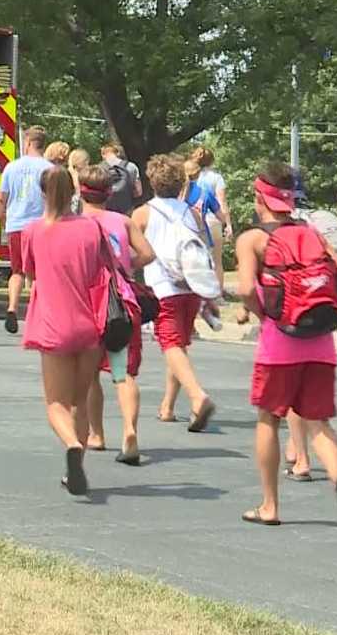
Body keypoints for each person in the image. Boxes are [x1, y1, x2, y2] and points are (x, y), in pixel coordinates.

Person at [234, 162, 337, 530]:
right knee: (318, 422)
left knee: (268, 419)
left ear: (259, 195)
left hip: (279, 343)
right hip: (320, 343)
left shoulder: (252, 239)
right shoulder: (312, 232)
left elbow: (246, 289)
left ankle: (269, 505)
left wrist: (261, 314)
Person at [22, 165, 110, 495]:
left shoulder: (33, 231)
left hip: (52, 325)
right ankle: (77, 464)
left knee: (55, 403)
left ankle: (71, 445)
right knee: (80, 402)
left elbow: (29, 273)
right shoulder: (90, 228)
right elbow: (104, 269)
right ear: (73, 191)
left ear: (43, 193)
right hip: (89, 324)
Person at [132, 154, 216, 431]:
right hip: (190, 287)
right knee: (179, 345)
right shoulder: (190, 213)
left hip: (163, 287)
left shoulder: (143, 213)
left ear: (151, 182)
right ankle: (168, 406)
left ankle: (197, 396)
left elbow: (134, 250)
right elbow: (200, 250)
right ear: (181, 184)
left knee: (170, 344)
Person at [79, 165, 156, 464]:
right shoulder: (124, 222)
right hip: (122, 303)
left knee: (88, 377)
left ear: (80, 190)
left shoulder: (75, 223)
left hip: (89, 304)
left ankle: (96, 434)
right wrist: (125, 264)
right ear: (109, 193)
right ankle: (129, 432)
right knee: (123, 374)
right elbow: (148, 254)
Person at [0, 126, 53, 334]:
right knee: (39, 273)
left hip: (16, 226)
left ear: (29, 142)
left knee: (17, 271)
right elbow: (52, 199)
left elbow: (0, 200)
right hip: (41, 225)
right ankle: (36, 313)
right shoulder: (49, 169)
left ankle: (12, 308)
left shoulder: (11, 168)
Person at [190, 147, 234, 293]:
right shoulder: (216, 178)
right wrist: (227, 224)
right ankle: (218, 293)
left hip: (193, 220)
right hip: (213, 220)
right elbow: (222, 202)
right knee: (216, 261)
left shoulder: (190, 175)